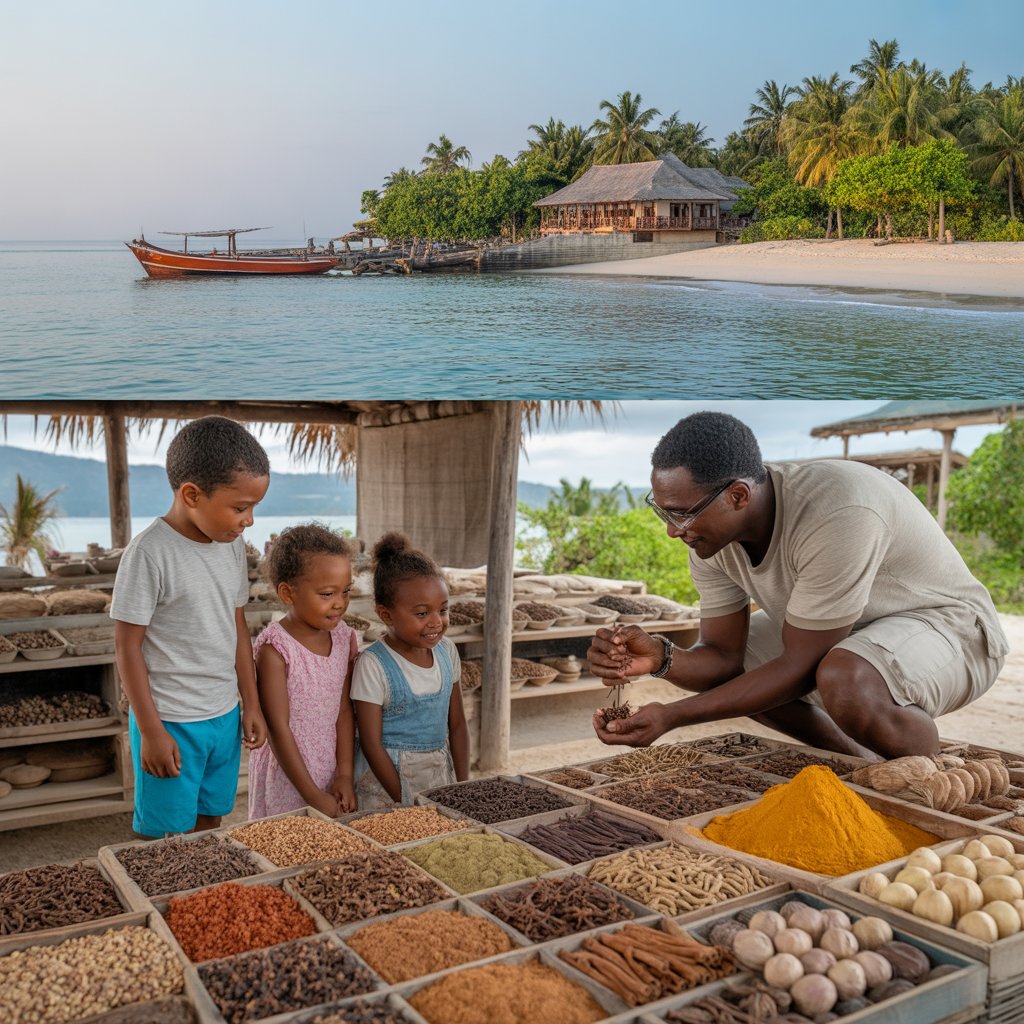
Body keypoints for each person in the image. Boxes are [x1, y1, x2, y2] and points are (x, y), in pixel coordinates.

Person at [588, 411, 1009, 761]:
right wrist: (659, 656)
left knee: (847, 678)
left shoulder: (838, 509)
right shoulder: (707, 537)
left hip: (954, 631)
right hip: (848, 637)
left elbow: (799, 667)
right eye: (663, 513)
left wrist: (672, 716)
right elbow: (722, 659)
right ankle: (857, 761)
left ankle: (924, 783)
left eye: (680, 514)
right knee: (758, 672)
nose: (672, 532)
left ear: (737, 496)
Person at [111, 416, 270, 838]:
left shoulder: (230, 547)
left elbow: (237, 628)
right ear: (191, 495)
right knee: (164, 839)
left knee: (211, 822)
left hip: (223, 715)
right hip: (171, 720)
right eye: (240, 507)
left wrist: (250, 704)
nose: (249, 520)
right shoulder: (148, 553)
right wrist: (150, 731)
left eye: (254, 508)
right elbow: (127, 649)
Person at [248, 524, 359, 818]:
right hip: (289, 776)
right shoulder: (276, 650)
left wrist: (345, 775)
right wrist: (311, 795)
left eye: (346, 591)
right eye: (327, 594)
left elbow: (344, 710)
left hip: (329, 766)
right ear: (288, 593)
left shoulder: (344, 638)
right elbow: (277, 728)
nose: (339, 603)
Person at [351, 532, 470, 807]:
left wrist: (463, 785)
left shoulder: (446, 652)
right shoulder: (373, 665)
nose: (436, 622)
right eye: (421, 613)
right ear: (386, 615)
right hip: (386, 790)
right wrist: (404, 799)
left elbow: (458, 724)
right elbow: (371, 745)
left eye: (442, 610)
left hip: (438, 776)